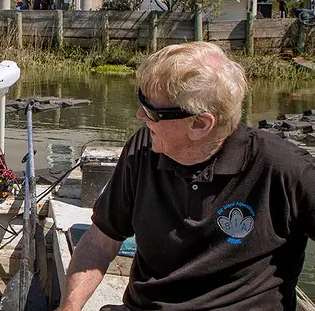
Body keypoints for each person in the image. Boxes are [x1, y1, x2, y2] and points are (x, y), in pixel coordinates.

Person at [58, 42, 315, 311]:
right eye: (140, 101)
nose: (139, 115)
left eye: (151, 112)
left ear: (200, 124)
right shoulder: (142, 150)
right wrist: (69, 308)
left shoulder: (285, 169)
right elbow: (101, 239)